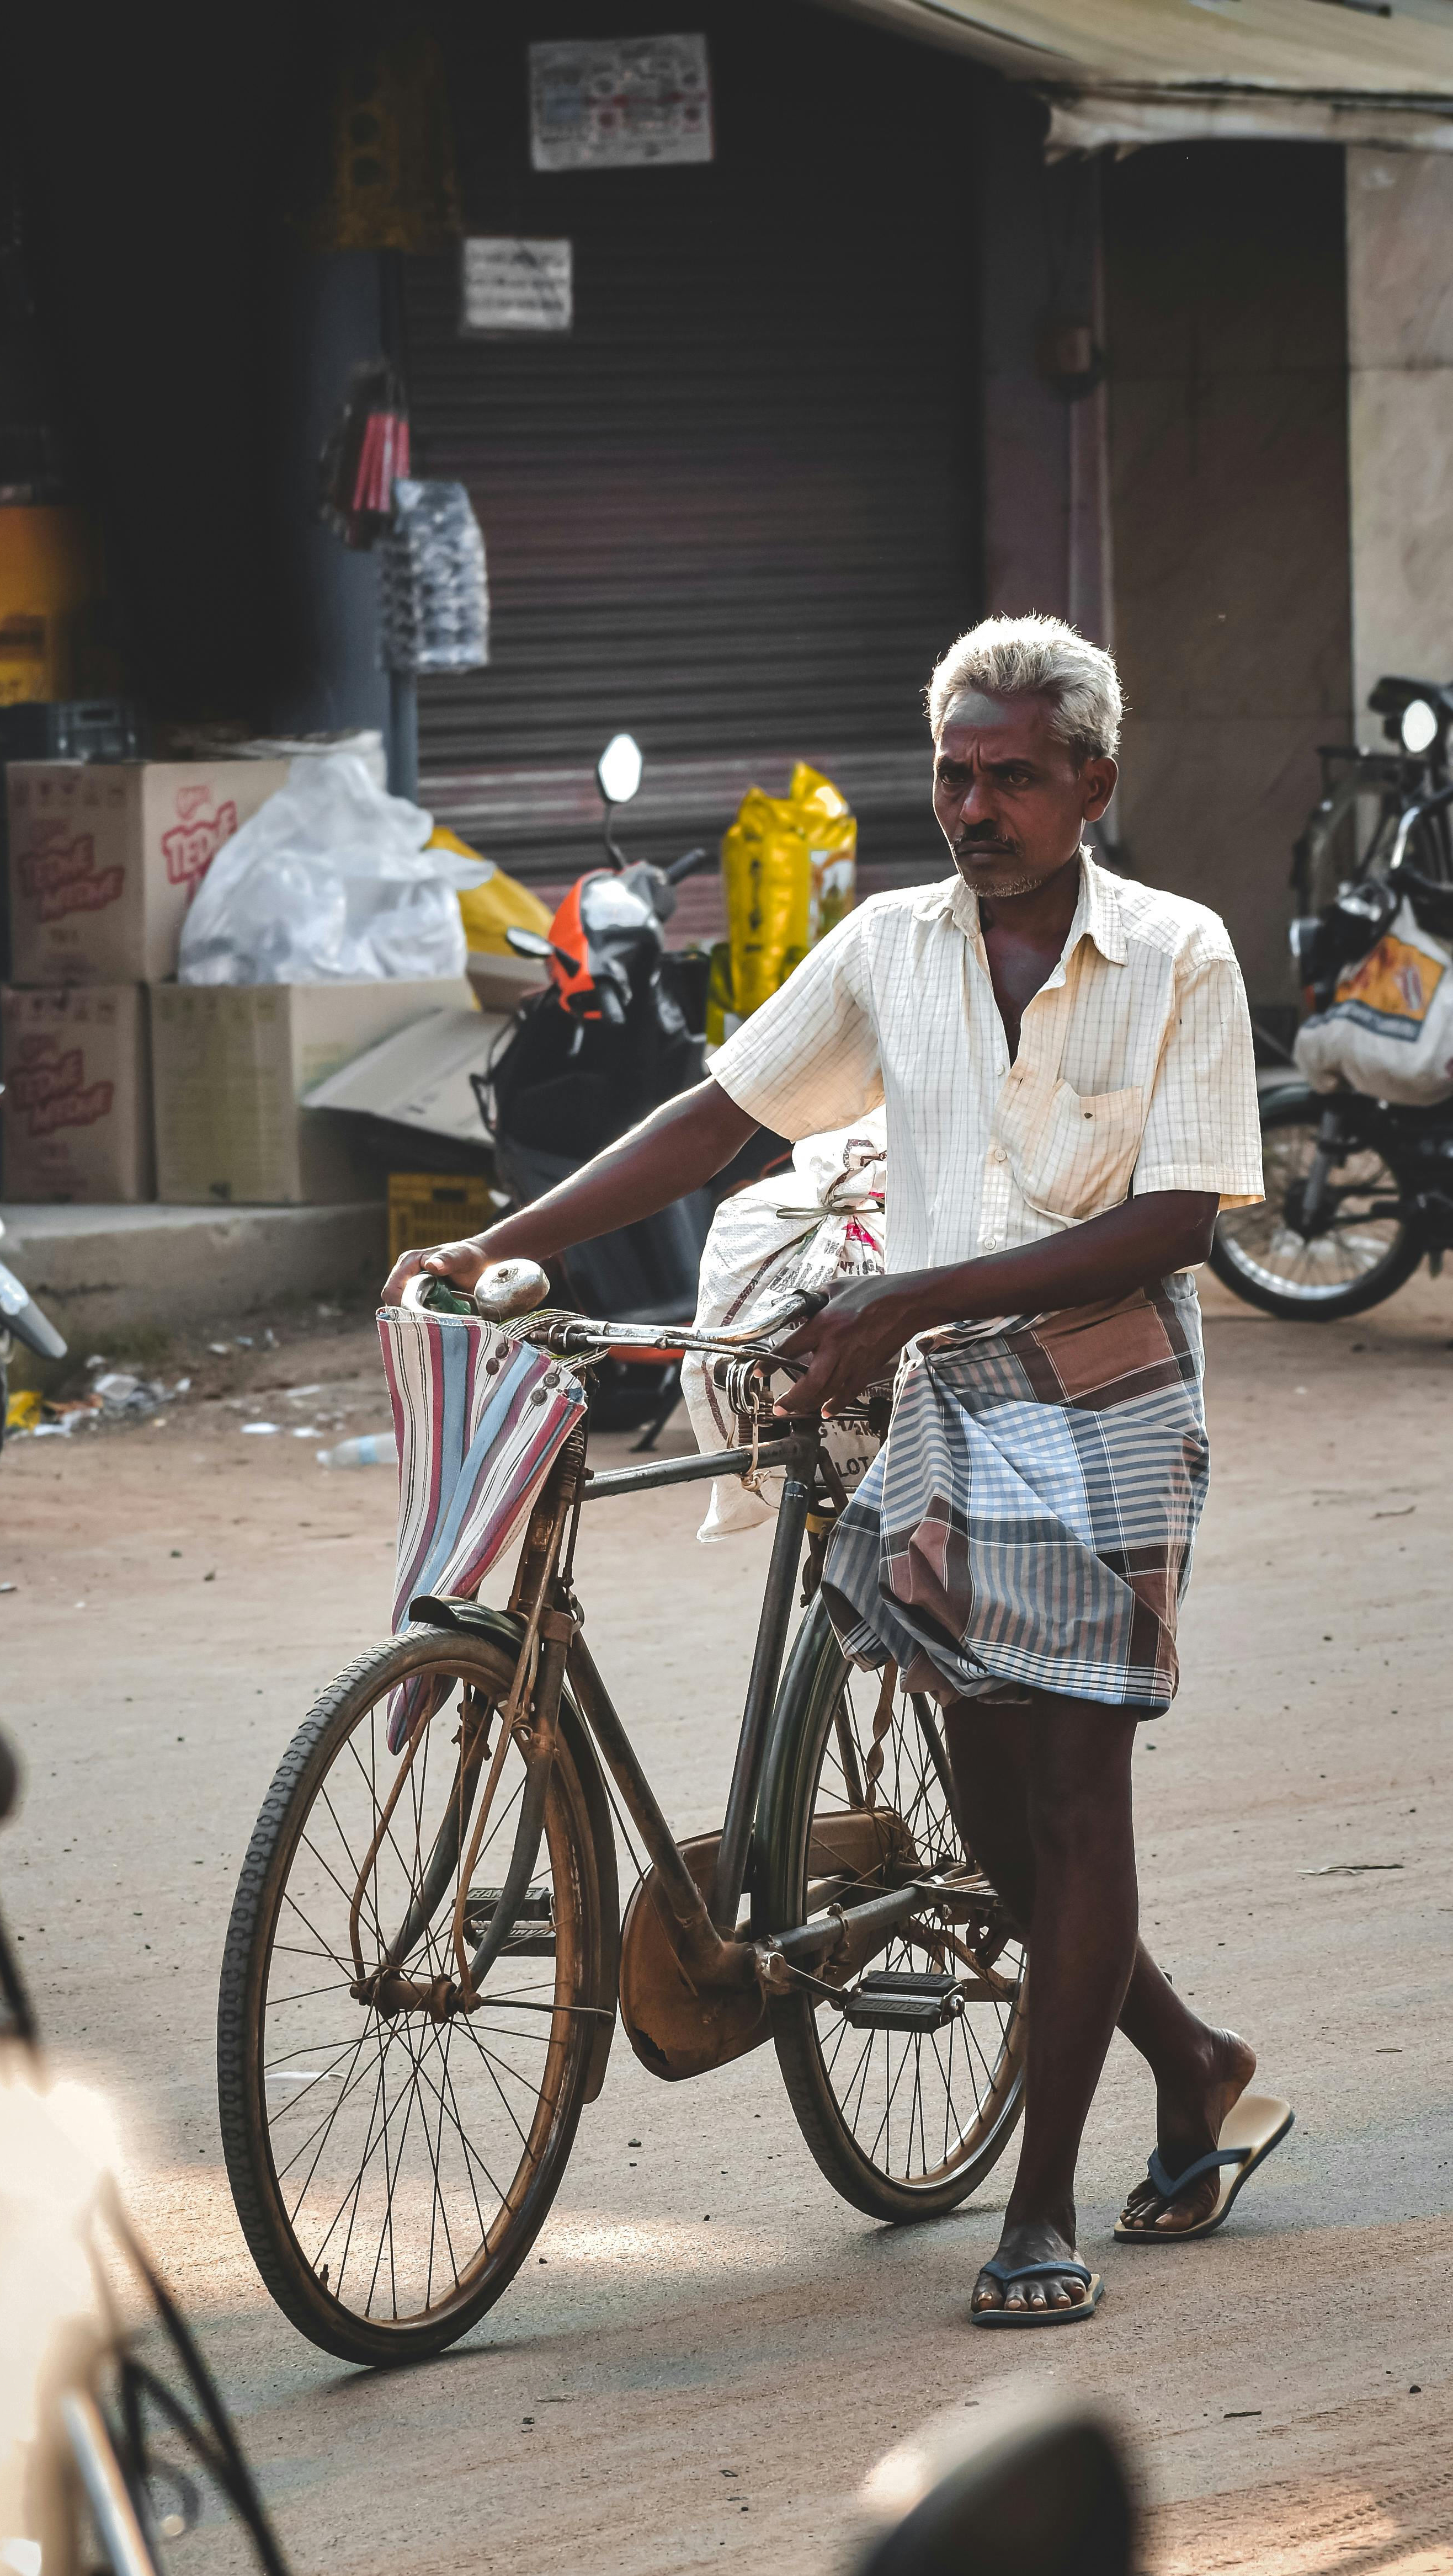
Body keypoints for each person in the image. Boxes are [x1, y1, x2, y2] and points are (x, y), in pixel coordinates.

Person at [383, 613, 1294, 2326]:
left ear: (1094, 779)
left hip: (1106, 1394)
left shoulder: (1180, 953)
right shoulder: (893, 946)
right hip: (948, 1390)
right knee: (990, 1805)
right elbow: (718, 1115)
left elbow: (1176, 1219)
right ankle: (1196, 2058)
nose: (976, 805)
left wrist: (907, 1298)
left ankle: (1037, 2210)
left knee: (1072, 1796)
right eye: (954, 773)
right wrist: (499, 1239)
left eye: (1014, 776)